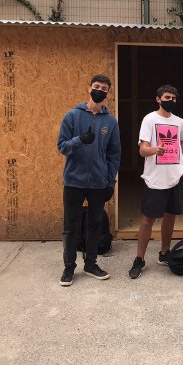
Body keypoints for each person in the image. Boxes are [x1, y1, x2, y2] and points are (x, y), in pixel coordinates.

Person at [57, 74, 121, 286]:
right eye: (96, 86)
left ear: (108, 93)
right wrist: (80, 140)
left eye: (104, 89)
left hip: (98, 182)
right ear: (89, 88)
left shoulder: (110, 122)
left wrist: (110, 181)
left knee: (94, 224)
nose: (99, 91)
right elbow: (62, 146)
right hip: (74, 181)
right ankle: (69, 267)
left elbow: (114, 154)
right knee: (71, 226)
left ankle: (91, 264)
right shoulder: (72, 116)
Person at [128, 85, 183, 279]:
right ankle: (139, 259)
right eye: (167, 97)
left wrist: (180, 165)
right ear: (158, 99)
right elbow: (142, 150)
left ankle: (164, 252)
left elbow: (181, 143)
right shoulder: (149, 119)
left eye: (174, 98)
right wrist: (155, 150)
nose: (171, 100)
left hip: (175, 177)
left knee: (170, 217)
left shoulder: (179, 121)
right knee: (147, 220)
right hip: (155, 179)